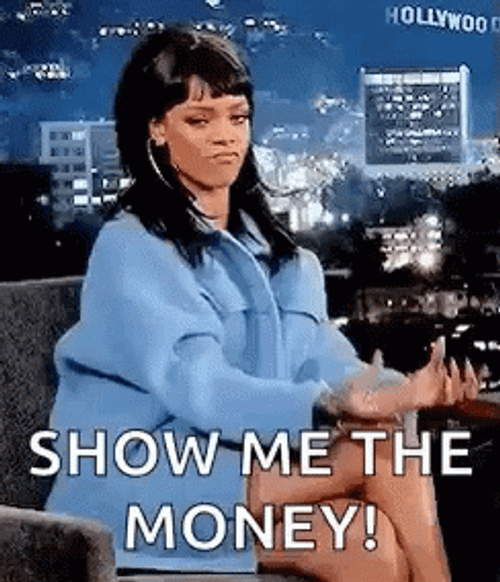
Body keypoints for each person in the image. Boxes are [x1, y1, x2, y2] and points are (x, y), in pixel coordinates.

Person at [46, 26, 479, 581]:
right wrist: (329, 405)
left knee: (367, 545)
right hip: (142, 480)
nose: (225, 137)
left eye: (238, 117)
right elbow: (200, 386)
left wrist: (403, 390)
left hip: (242, 464)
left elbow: (323, 361)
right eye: (199, 120)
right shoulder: (132, 247)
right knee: (384, 450)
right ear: (156, 128)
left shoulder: (283, 259)